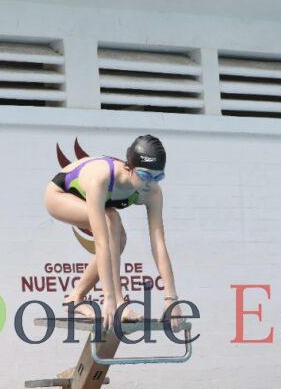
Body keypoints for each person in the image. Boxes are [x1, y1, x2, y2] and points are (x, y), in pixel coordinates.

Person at [44, 135, 179, 330]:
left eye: (157, 177)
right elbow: (100, 242)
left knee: (120, 239)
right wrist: (109, 298)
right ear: (129, 167)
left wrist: (171, 298)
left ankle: (75, 298)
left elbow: (159, 243)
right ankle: (118, 302)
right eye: (144, 175)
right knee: (111, 221)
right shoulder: (102, 178)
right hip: (59, 195)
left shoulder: (153, 192)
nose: (150, 183)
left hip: (94, 201)